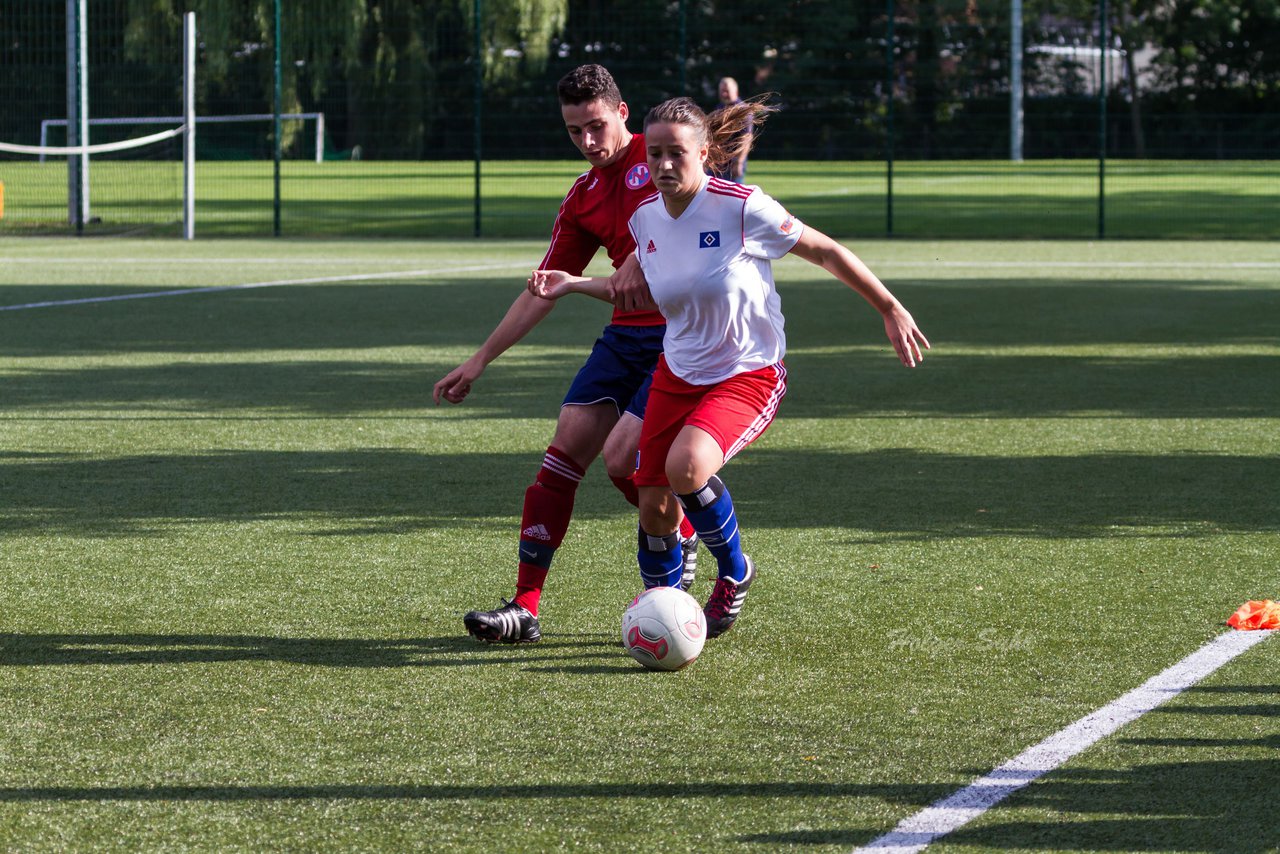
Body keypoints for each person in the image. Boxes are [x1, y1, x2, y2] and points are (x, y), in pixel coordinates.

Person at [529, 96, 929, 637]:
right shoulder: (647, 219)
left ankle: (735, 572)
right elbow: (639, 293)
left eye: (678, 154)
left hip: (747, 372)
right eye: (658, 156)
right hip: (678, 372)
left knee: (687, 467)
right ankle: (662, 612)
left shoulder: (741, 206)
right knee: (652, 504)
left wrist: (890, 307)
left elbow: (826, 250)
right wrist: (575, 285)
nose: (665, 166)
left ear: (703, 152)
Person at [433, 65, 698, 645]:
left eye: (596, 126)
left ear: (622, 113)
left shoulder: (659, 160)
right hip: (626, 336)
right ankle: (525, 606)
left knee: (622, 459)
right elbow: (547, 285)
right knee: (563, 451)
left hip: (684, 337)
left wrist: (644, 256)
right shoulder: (584, 195)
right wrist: (480, 361)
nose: (588, 141)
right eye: (575, 131)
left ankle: (678, 551)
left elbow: (703, 212)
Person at [708, 77, 751, 183]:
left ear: (735, 91)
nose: (724, 94)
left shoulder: (742, 110)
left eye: (727, 91)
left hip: (733, 163)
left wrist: (739, 162)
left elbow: (746, 138)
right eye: (722, 91)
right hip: (717, 163)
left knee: (733, 196)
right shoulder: (719, 108)